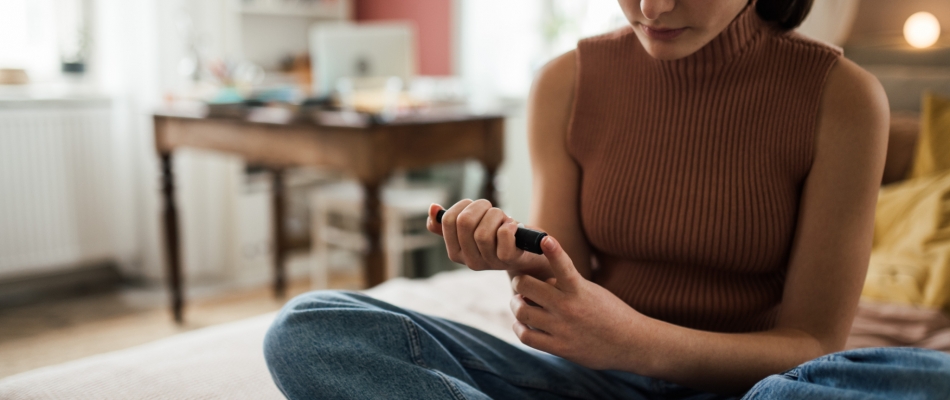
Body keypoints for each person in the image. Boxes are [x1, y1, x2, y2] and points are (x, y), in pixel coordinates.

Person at [263, 1, 950, 398]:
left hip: (744, 388)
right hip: (589, 383)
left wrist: (635, 339)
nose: (653, 6)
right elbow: (564, 292)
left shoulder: (843, 98)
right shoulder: (567, 82)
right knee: (311, 329)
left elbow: (811, 342)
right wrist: (513, 256)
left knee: (903, 379)